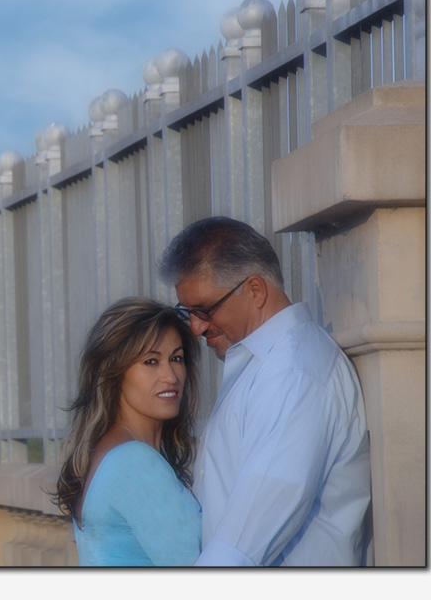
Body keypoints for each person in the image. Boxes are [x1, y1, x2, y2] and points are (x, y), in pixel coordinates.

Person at [158, 216, 371, 566]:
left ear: (255, 290)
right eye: (188, 312)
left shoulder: (293, 372)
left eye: (205, 310)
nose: (195, 327)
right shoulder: (268, 365)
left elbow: (243, 544)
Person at [54, 297, 202, 566]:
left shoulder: (104, 451)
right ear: (114, 372)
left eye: (176, 358)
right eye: (150, 361)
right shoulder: (134, 462)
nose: (171, 375)